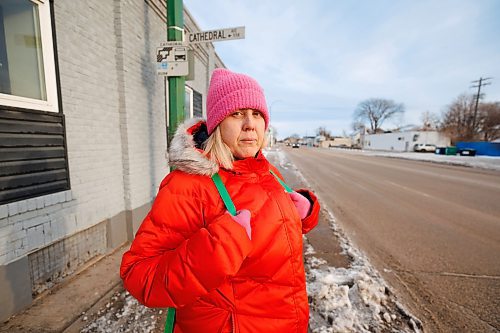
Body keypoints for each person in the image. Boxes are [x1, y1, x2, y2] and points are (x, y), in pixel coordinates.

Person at [120, 68, 320, 332]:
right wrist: (218, 249)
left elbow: (271, 236)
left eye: (257, 114)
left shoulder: (266, 170)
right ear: (217, 124)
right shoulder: (188, 184)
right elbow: (139, 275)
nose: (250, 124)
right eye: (237, 114)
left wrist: (301, 214)